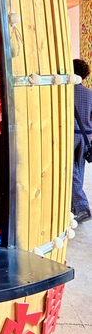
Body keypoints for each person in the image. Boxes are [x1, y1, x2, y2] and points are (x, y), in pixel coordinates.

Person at [72, 58, 92, 222]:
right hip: (86, 136)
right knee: (79, 170)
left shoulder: (65, 93)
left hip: (70, 134)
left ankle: (82, 207)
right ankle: (74, 207)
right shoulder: (89, 93)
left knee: (70, 172)